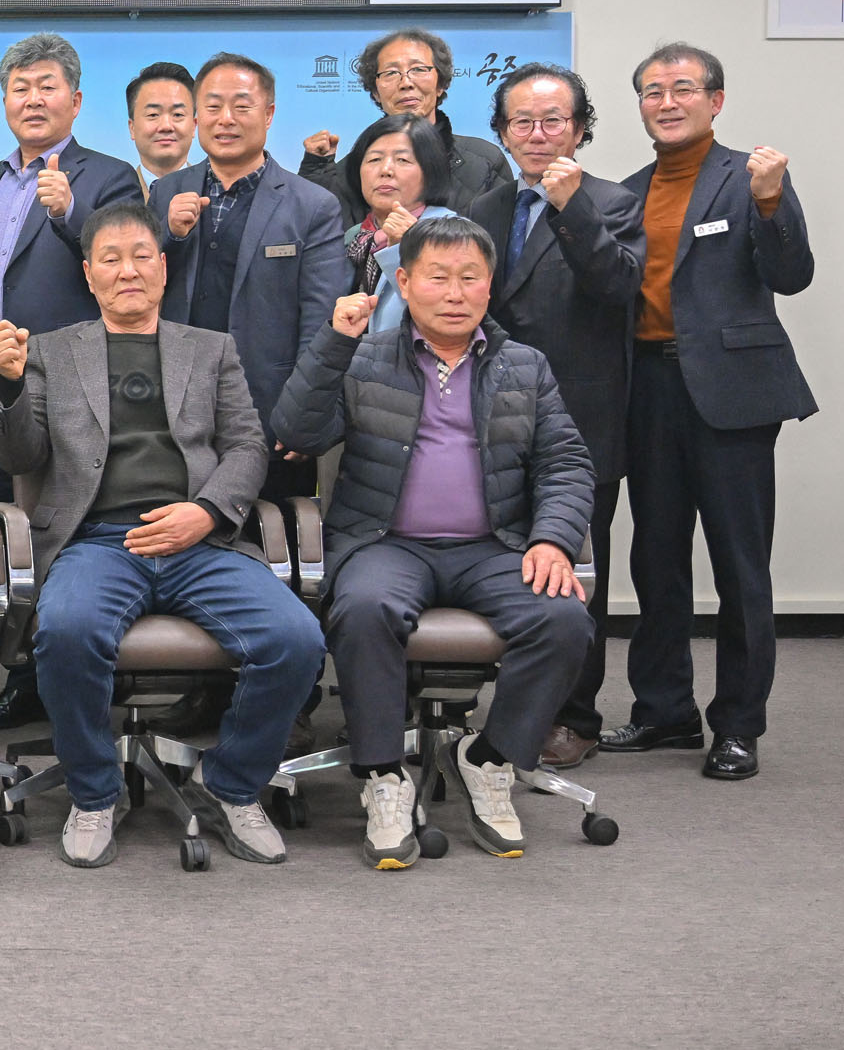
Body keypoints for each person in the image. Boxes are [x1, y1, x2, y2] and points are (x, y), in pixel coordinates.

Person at [0, 201, 325, 870]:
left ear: (163, 268)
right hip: (97, 540)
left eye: (141, 256)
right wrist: (9, 384)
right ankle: (93, 792)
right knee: (67, 633)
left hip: (200, 540)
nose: (128, 271)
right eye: (110, 260)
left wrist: (206, 511)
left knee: (296, 640)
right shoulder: (51, 351)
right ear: (89, 275)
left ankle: (230, 785)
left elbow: (246, 445)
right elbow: (20, 456)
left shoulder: (211, 348)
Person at [272, 216, 595, 869]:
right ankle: (383, 776)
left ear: (489, 286)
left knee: (563, 619)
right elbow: (296, 431)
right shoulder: (363, 358)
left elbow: (566, 463)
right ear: (404, 282)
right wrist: (334, 342)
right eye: (438, 277)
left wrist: (554, 540)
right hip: (385, 543)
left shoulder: (524, 367)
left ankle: (491, 758)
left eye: (470, 278)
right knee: (365, 609)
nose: (455, 293)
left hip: (494, 547)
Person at [605, 43, 815, 781]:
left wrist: (771, 201)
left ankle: (738, 726)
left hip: (732, 394)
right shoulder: (626, 192)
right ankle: (664, 711)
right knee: (656, 558)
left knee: (739, 566)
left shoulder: (750, 177)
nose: (666, 102)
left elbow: (792, 275)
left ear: (715, 101)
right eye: (652, 91)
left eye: (683, 88)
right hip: (649, 391)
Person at [466, 64, 644, 769]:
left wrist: (572, 212)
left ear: (579, 128)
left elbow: (619, 287)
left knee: (573, 572)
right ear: (502, 132)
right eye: (522, 122)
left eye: (553, 121)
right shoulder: (485, 206)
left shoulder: (613, 201)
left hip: (579, 419)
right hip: (487, 421)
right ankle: (502, 710)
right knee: (496, 564)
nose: (537, 135)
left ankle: (574, 716)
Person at [0, 33, 145, 731]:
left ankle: (67, 674)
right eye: (21, 88)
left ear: (75, 99)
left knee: (64, 525)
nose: (33, 100)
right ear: (4, 101)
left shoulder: (110, 177)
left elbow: (127, 265)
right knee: (1, 524)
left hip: (76, 384)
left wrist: (71, 215)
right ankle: (17, 669)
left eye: (47, 87)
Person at [150, 53, 348, 501]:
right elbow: (141, 290)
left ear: (269, 114)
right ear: (197, 116)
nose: (226, 119)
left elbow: (320, 321)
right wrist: (170, 234)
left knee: (272, 532)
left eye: (241, 106)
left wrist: (303, 413)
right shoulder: (167, 192)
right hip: (174, 410)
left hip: (268, 411)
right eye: (213, 106)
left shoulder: (311, 205)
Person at [298, 28, 512, 217]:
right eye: (391, 73)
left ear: (440, 84)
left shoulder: (484, 161)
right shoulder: (353, 168)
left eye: (418, 69)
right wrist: (316, 174)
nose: (406, 83)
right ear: (375, 92)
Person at [337, 114, 456, 333]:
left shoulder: (452, 232)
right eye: (374, 159)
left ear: (430, 171)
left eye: (403, 160)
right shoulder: (355, 236)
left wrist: (408, 247)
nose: (386, 170)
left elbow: (448, 313)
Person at [126, 61, 197, 183]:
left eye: (178, 114)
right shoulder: (114, 192)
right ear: (132, 128)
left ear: (194, 126)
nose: (166, 126)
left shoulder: (216, 190)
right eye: (153, 115)